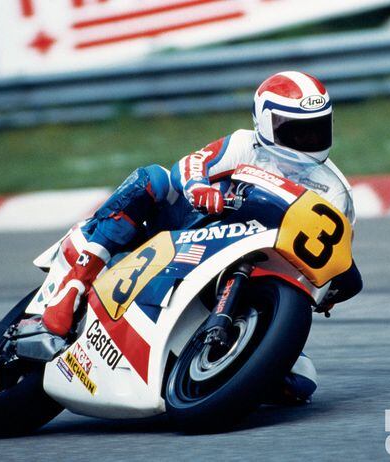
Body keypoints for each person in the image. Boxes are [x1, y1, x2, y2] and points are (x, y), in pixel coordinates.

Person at [42, 71, 363, 401]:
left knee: (302, 380)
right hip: (192, 230)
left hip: (262, 265)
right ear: (266, 124)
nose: (309, 138)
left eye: (317, 127)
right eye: (296, 129)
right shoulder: (244, 144)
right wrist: (199, 188)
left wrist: (328, 287)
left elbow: (335, 250)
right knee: (153, 179)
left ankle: (227, 373)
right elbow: (192, 164)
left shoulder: (335, 189)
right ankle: (74, 285)